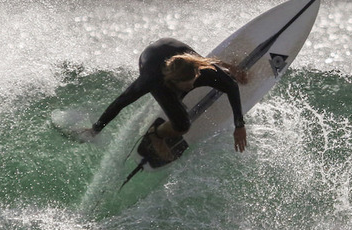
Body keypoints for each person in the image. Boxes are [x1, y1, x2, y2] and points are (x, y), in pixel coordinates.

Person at [83, 38, 248, 160]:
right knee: (182, 125)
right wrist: (95, 129)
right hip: (150, 59)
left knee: (217, 75)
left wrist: (239, 125)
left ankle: (226, 68)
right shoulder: (151, 80)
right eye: (187, 86)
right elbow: (120, 103)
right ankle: (156, 134)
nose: (191, 88)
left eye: (193, 83)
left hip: (172, 46)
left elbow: (232, 87)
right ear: (174, 82)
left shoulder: (198, 69)